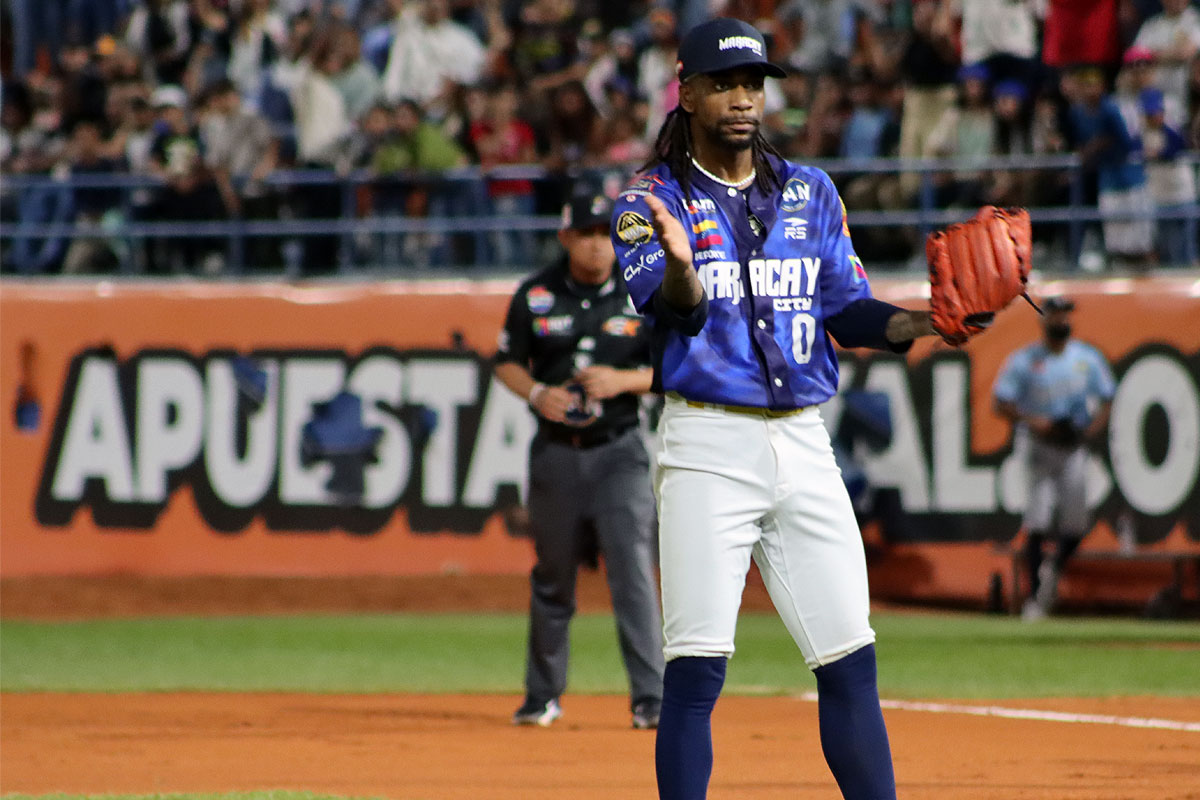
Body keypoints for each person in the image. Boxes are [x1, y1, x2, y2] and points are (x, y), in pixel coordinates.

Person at [610, 18, 951, 800]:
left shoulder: (810, 191)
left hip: (804, 442)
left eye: (754, 84)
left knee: (850, 657)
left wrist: (928, 322)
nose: (743, 99)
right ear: (686, 91)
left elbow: (850, 310)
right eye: (725, 83)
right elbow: (677, 311)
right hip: (705, 444)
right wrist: (683, 270)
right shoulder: (646, 202)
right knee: (696, 671)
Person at [494, 191, 665, 731]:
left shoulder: (645, 294)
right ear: (566, 237)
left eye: (605, 234)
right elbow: (506, 361)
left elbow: (677, 369)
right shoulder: (536, 292)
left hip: (620, 452)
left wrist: (623, 380)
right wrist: (536, 393)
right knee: (552, 577)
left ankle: (651, 699)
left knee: (633, 573)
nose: (596, 245)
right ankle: (541, 697)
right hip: (556, 454)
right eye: (586, 234)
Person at [992, 297, 1117, 621]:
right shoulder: (1026, 360)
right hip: (1039, 444)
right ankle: (1035, 597)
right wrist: (1036, 421)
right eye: (1056, 315)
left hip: (1072, 445)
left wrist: (1090, 431)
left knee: (1076, 523)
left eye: (1066, 315)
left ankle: (1052, 569)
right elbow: (1000, 402)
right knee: (1038, 519)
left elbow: (1107, 397)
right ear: (1044, 319)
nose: (1062, 321)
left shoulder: (1085, 358)